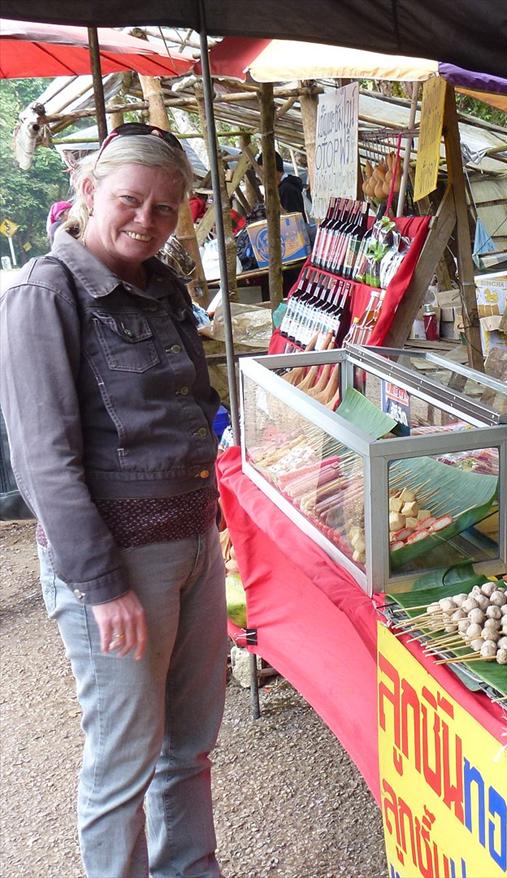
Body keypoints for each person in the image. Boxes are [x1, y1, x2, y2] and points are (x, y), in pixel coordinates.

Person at [0, 123, 226, 877]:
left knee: (188, 749)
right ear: (90, 191)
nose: (147, 219)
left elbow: (198, 403)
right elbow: (44, 462)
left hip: (195, 543)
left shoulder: (163, 289)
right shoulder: (47, 290)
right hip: (120, 563)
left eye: (166, 208)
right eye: (132, 199)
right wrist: (102, 587)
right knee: (123, 760)